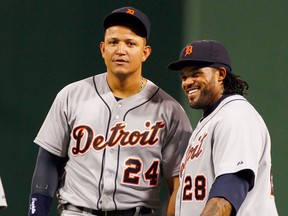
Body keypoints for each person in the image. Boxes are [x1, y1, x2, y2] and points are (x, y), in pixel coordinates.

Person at [27, 6, 192, 216]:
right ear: (103, 49)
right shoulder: (71, 96)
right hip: (77, 211)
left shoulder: (170, 111)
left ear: (145, 52)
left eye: (130, 43)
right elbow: (47, 164)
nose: (120, 50)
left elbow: (178, 185)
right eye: (113, 42)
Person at [168, 40, 279, 216]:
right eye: (183, 76)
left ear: (220, 74)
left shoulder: (235, 116)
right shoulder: (213, 119)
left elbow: (226, 194)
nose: (188, 82)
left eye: (196, 74)